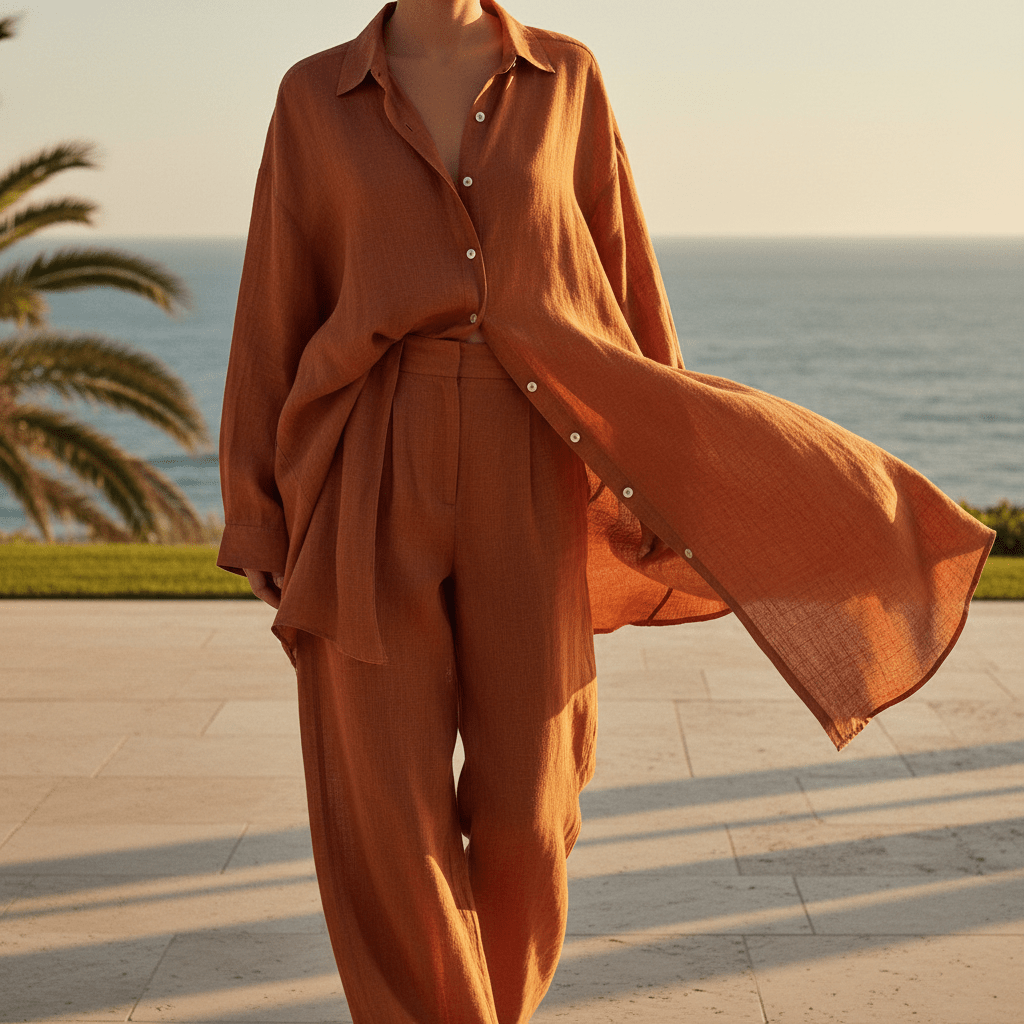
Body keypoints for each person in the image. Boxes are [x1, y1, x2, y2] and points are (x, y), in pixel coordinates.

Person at [217, 1, 994, 1020]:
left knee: (533, 802)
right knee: (378, 800)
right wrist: (257, 513)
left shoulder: (567, 80)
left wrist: (669, 461)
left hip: (528, 450)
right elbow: (273, 302)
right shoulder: (312, 95)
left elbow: (624, 280)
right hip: (370, 451)